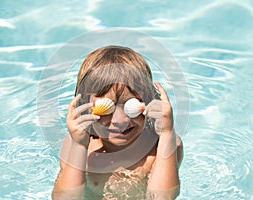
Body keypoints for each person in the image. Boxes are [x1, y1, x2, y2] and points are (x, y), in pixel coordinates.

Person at [52, 45, 183, 200]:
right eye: (106, 109)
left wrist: (167, 133)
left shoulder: (162, 145)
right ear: (85, 109)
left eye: (131, 107)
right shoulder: (78, 145)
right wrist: (79, 145)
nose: (120, 121)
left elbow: (163, 197)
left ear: (149, 102)